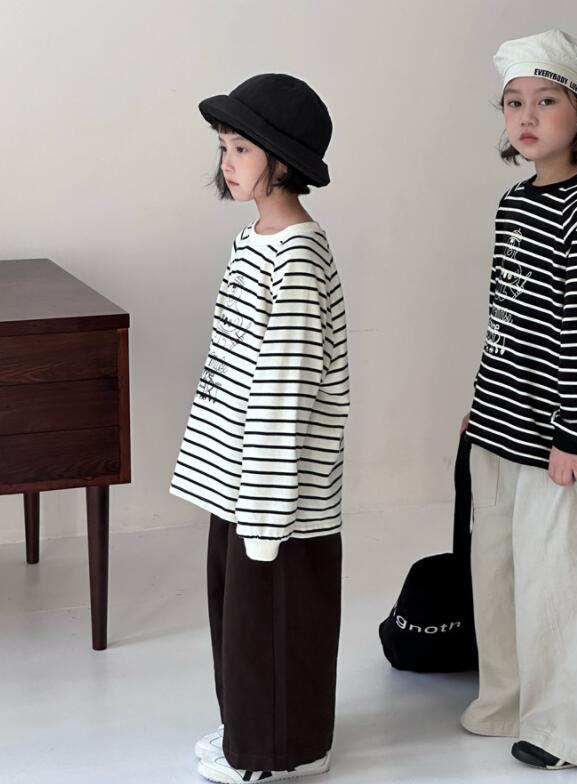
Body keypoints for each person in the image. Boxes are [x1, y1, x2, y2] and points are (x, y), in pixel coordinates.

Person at [460, 30, 577, 770]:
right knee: (500, 571)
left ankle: (576, 727)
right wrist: (481, 403)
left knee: (568, 579)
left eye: (547, 100)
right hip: (503, 424)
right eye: (513, 103)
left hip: (562, 436)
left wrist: (576, 433)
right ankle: (509, 697)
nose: (526, 117)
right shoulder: (515, 202)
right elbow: (507, 316)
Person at [170, 73, 350, 783]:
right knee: (241, 621)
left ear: (283, 159)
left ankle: (279, 754)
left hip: (275, 493)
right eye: (224, 146)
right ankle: (250, 734)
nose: (227, 161)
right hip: (239, 480)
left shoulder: (297, 257)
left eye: (241, 148)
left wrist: (266, 513)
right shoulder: (257, 241)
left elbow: (286, 392)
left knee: (275, 621)